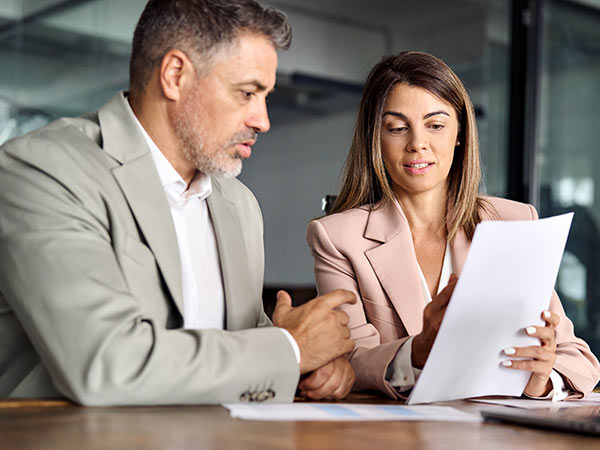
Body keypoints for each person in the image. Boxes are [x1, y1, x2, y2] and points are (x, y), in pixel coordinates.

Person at [0, 0, 357, 405]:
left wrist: (313, 366)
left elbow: (248, 349)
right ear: (175, 76)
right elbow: (106, 364)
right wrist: (290, 350)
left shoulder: (239, 204)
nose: (262, 120)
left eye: (266, 97)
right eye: (247, 93)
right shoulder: (44, 170)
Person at [307, 51, 600, 400]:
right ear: (376, 139)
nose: (417, 143)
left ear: (459, 133)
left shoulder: (513, 222)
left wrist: (541, 376)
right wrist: (414, 352)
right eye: (398, 128)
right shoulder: (338, 238)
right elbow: (348, 360)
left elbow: (579, 359)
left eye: (436, 125)